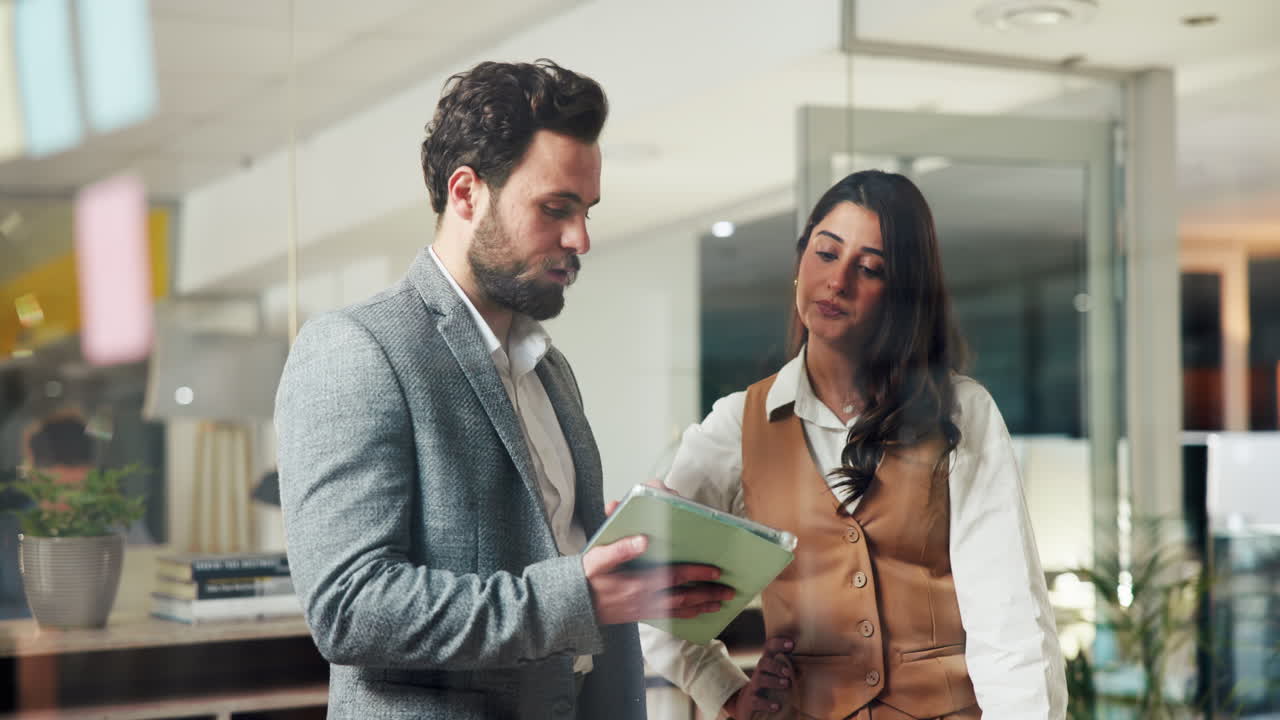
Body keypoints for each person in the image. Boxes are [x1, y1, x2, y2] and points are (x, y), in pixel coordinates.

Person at [274, 59, 731, 719]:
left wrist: (621, 538)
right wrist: (580, 593)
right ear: (467, 193)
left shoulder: (550, 369)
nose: (580, 239)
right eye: (555, 209)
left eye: (586, 211)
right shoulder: (355, 349)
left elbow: (545, 552)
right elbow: (349, 608)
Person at [641, 170, 1067, 719]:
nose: (837, 281)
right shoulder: (736, 425)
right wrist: (723, 689)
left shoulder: (961, 412)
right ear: (799, 264)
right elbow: (655, 594)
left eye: (869, 268)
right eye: (825, 253)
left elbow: (1011, 624)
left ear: (903, 295)